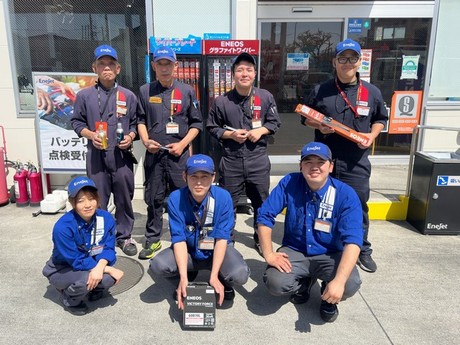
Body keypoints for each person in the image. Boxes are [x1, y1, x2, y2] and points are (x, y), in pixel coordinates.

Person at [301, 39, 388, 273]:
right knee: (321, 205)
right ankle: (324, 244)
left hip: (356, 161)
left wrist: (372, 135)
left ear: (360, 61)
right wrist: (318, 126)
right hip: (325, 162)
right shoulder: (321, 90)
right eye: (342, 58)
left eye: (352, 58)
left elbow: (381, 118)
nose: (347, 63)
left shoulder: (372, 92)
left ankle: (363, 249)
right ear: (334, 62)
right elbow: (305, 116)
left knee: (358, 206)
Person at [257, 142, 363, 323]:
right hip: (296, 250)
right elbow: (264, 216)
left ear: (331, 166)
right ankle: (304, 282)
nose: (314, 167)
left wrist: (338, 281)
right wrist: (268, 253)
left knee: (349, 284)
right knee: (276, 283)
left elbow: (353, 240)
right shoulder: (289, 182)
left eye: (320, 162)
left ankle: (328, 297)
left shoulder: (345, 195)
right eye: (308, 161)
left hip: (330, 253)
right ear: (301, 166)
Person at [150, 154, 250, 308]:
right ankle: (185, 281)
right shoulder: (175, 198)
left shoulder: (223, 197)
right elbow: (179, 240)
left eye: (204, 176)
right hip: (189, 251)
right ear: (184, 176)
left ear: (213, 177)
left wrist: (214, 276)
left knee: (240, 274)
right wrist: (182, 277)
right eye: (193, 176)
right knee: (159, 265)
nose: (198, 182)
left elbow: (222, 239)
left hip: (216, 249)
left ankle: (222, 280)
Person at [206, 52, 281, 252]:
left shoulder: (265, 97)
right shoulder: (222, 101)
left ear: (255, 73)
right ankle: (226, 240)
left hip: (257, 159)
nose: (244, 74)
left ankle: (260, 237)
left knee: (262, 203)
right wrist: (229, 135)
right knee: (226, 203)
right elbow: (211, 127)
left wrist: (261, 130)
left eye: (249, 69)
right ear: (233, 74)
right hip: (231, 161)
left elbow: (274, 122)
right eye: (240, 70)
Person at [71, 45, 139, 256]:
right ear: (95, 68)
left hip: (121, 156)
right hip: (96, 155)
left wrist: (130, 137)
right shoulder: (84, 96)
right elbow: (76, 122)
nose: (107, 67)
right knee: (96, 198)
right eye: (102, 64)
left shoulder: (128, 96)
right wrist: (90, 135)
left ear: (118, 69)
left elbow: (137, 123)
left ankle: (124, 236)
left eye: (111, 64)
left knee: (124, 197)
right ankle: (100, 238)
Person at [137, 46, 203, 260]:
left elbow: (197, 124)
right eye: (160, 64)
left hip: (178, 155)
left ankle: (186, 238)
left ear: (176, 66)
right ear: (154, 66)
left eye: (169, 64)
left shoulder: (186, 91)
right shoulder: (145, 91)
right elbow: (139, 120)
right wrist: (146, 141)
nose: (164, 68)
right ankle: (153, 238)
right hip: (154, 155)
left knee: (183, 198)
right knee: (153, 198)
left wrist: (183, 144)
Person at [42, 176, 124, 316]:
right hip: (63, 268)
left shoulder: (106, 218)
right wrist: (106, 269)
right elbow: (76, 260)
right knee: (86, 279)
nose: (88, 205)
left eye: (91, 198)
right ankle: (69, 298)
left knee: (108, 278)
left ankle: (94, 289)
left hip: (91, 260)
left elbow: (109, 248)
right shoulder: (63, 227)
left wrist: (100, 268)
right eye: (81, 201)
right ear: (72, 203)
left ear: (97, 199)